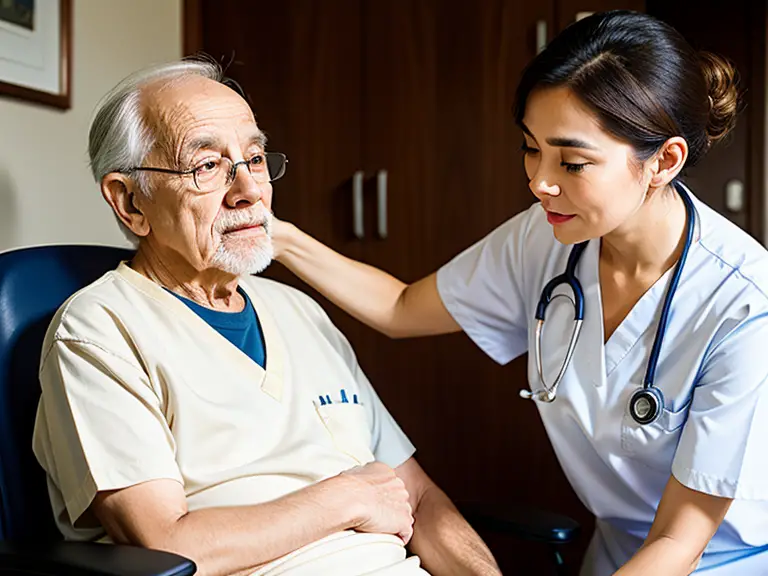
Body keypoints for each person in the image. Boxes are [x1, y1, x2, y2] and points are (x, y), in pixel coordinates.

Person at [271, 10, 768, 575]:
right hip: (615, 552)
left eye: (572, 162)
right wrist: (278, 238)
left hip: (725, 559)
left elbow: (681, 541)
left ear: (664, 160)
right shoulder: (549, 233)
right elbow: (400, 308)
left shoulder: (746, 307)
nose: (539, 183)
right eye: (531, 148)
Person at [31, 59, 501, 576]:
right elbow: (165, 546)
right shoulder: (99, 330)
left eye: (254, 159)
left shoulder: (299, 310)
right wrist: (345, 499)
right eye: (207, 166)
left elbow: (417, 495)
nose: (249, 190)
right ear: (130, 202)